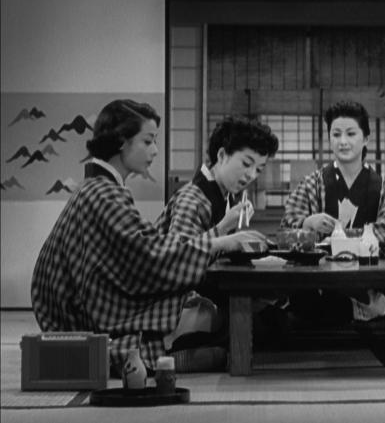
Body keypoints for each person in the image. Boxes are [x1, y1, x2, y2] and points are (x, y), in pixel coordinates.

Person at [31, 100, 268, 374]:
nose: (155, 150)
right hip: (85, 320)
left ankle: (189, 349)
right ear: (121, 142)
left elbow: (142, 251)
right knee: (228, 320)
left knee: (231, 319)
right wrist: (221, 238)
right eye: (148, 141)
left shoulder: (100, 189)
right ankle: (175, 352)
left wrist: (222, 234)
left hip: (92, 308)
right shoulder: (104, 194)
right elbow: (150, 255)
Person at [155, 115, 283, 348]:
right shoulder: (192, 198)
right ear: (222, 155)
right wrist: (224, 229)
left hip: (208, 298)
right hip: (179, 308)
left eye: (258, 169)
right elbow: (177, 260)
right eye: (246, 164)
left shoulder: (224, 196)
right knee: (267, 326)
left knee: (275, 318)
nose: (251, 175)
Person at [280, 101, 385, 324]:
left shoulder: (383, 187)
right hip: (321, 282)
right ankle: (363, 309)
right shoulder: (312, 184)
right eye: (336, 134)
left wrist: (339, 238)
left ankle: (357, 307)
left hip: (369, 280)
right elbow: (285, 235)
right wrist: (307, 224)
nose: (343, 141)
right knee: (305, 301)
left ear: (366, 139)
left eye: (351, 133)